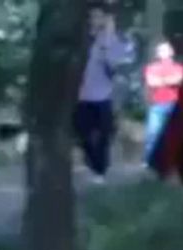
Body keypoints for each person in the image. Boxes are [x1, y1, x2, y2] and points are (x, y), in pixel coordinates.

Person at [74, 5, 134, 183]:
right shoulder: (81, 40)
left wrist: (108, 41)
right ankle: (92, 162)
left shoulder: (111, 40)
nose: (95, 21)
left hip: (103, 95)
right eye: (92, 17)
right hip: (81, 96)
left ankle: (101, 169)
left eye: (99, 17)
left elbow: (116, 66)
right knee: (83, 133)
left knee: (104, 134)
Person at [143, 39, 183, 167]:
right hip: (157, 105)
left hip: (175, 104)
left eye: (165, 49)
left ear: (171, 52)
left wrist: (161, 80)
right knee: (152, 134)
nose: (162, 52)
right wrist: (169, 80)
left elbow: (178, 80)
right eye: (160, 50)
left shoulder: (179, 67)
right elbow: (152, 83)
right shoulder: (151, 68)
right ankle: (149, 162)